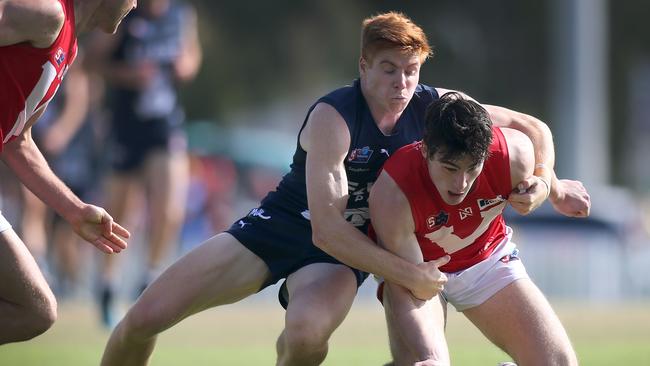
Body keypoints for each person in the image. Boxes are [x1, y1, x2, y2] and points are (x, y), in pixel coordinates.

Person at [100, 12, 589, 365]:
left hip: (346, 253)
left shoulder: (437, 109)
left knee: (308, 334)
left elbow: (529, 126)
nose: (402, 82)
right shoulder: (334, 118)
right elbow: (326, 229)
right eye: (388, 69)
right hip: (287, 227)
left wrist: (551, 180)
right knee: (147, 317)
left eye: (411, 70)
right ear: (363, 66)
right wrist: (408, 273)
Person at [369, 93, 588, 365]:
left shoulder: (511, 155)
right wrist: (430, 354)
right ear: (425, 150)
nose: (461, 183)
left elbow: (537, 138)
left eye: (473, 168)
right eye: (449, 168)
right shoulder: (393, 193)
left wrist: (551, 189)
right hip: (417, 273)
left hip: (488, 259)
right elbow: (419, 284)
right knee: (428, 363)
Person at [0, 0, 135, 344]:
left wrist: (74, 210)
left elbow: (17, 141)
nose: (136, 4)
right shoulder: (49, 13)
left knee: (35, 311)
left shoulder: (67, 42)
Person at [88, 0, 201, 327]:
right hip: (126, 125)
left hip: (165, 124)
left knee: (170, 209)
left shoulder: (182, 14)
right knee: (121, 212)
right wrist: (126, 75)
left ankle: (148, 280)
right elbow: (92, 62)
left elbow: (192, 55)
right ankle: (107, 285)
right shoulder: (125, 12)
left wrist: (186, 66)